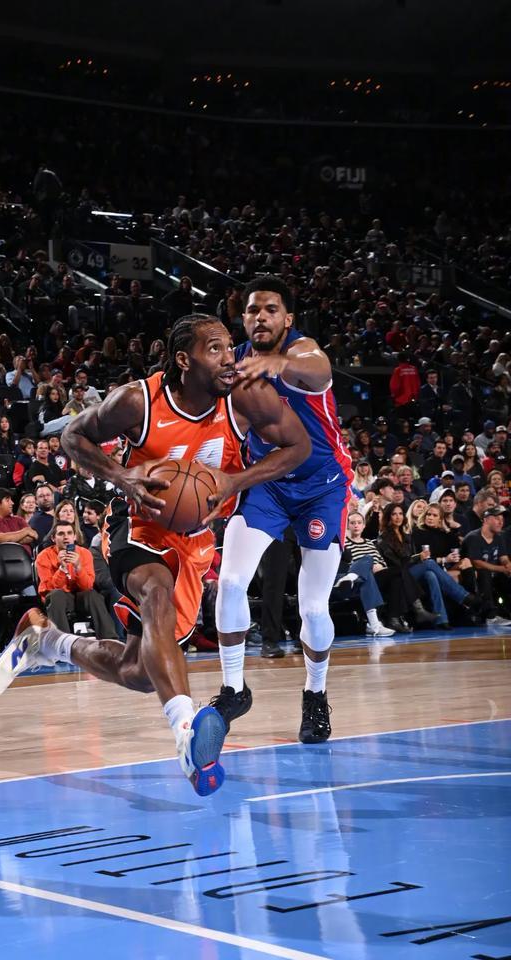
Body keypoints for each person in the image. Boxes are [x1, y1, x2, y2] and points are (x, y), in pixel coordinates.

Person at [0, 312, 311, 797]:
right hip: (136, 523)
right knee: (155, 593)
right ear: (184, 360)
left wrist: (235, 482)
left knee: (140, 672)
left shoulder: (245, 397)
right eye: (215, 349)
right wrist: (121, 476)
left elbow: (298, 446)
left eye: (230, 347)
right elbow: (72, 436)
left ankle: (47, 641)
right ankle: (186, 732)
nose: (230, 358)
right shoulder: (138, 401)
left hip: (193, 540)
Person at [209, 276, 352, 745]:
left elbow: (319, 368)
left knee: (312, 607)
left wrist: (278, 363)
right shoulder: (233, 364)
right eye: (253, 310)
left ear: (287, 319)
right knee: (231, 581)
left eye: (271, 309)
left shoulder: (302, 351)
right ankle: (233, 689)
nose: (261, 317)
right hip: (268, 483)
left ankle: (316, 693)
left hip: (321, 487)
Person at [35, 519, 118, 639]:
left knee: (92, 595)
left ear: (74, 537)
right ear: (53, 538)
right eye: (61, 534)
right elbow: (49, 589)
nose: (66, 537)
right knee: (56, 595)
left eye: (69, 533)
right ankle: (62, 642)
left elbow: (87, 586)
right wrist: (62, 569)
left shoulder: (85, 553)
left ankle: (110, 640)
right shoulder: (43, 556)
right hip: (59, 599)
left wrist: (78, 567)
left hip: (80, 597)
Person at [345, 512, 412, 633]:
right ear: (348, 526)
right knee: (399, 571)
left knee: (397, 579)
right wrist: (371, 567)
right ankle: (399, 616)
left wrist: (380, 566)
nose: (356, 525)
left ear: (364, 526)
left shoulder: (369, 542)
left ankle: (392, 619)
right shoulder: (345, 543)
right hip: (361, 577)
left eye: (359, 523)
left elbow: (381, 561)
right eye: (352, 523)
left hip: (379, 574)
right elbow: (350, 564)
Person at [461, 507, 511, 625]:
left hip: (494, 574)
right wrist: (501, 569)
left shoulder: (499, 537)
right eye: (497, 518)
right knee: (484, 573)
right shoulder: (473, 537)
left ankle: (507, 612)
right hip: (472, 576)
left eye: (502, 519)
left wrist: (508, 565)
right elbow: (476, 563)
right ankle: (490, 616)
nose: (501, 522)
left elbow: (503, 557)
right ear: (486, 520)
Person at [0, 488, 39, 557]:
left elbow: (32, 536)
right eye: (7, 500)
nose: (12, 503)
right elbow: (1, 539)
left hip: (28, 560)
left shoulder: (18, 519)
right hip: (4, 562)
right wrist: (25, 531)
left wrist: (9, 539)